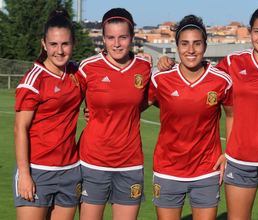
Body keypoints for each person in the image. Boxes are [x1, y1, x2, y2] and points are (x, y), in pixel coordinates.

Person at [158, 7, 258, 220]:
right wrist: (169, 64)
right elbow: (200, 71)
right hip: (239, 162)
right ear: (250, 32)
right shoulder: (233, 63)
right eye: (257, 31)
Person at [149, 15, 233, 220]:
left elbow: (232, 115)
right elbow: (134, 106)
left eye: (197, 43)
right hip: (167, 169)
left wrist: (228, 153)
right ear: (176, 46)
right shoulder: (161, 78)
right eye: (184, 44)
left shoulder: (221, 80)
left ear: (205, 45)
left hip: (206, 170)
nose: (191, 50)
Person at [76, 8, 151, 220]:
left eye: (123, 37)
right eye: (110, 37)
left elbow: (150, 98)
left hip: (130, 162)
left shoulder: (144, 67)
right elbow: (67, 100)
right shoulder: (88, 68)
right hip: (93, 161)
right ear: (103, 38)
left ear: (132, 38)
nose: (116, 43)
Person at [14, 9, 83, 220]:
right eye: (53, 44)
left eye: (65, 44)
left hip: (70, 170)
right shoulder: (34, 80)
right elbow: (20, 129)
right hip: (37, 170)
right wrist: (25, 175)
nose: (59, 51)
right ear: (44, 44)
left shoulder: (77, 73)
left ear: (73, 44)